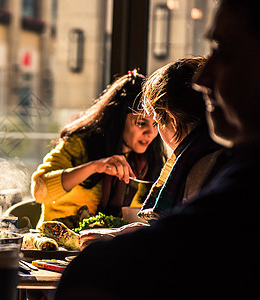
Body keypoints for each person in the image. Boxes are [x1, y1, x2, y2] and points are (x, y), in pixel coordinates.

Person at [55, 1, 260, 298]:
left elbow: (199, 239)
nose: (203, 80)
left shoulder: (216, 168)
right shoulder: (229, 162)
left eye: (225, 53)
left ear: (171, 120)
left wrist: (111, 250)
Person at [78, 57, 228, 249]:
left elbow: (183, 244)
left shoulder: (202, 166)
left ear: (172, 118)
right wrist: (127, 233)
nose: (152, 133)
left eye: (156, 122)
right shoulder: (219, 151)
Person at [31, 71, 166, 229]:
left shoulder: (148, 161)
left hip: (109, 246)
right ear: (118, 120)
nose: (150, 133)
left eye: (155, 124)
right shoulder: (81, 144)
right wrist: (95, 166)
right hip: (57, 244)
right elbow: (40, 191)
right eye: (141, 123)